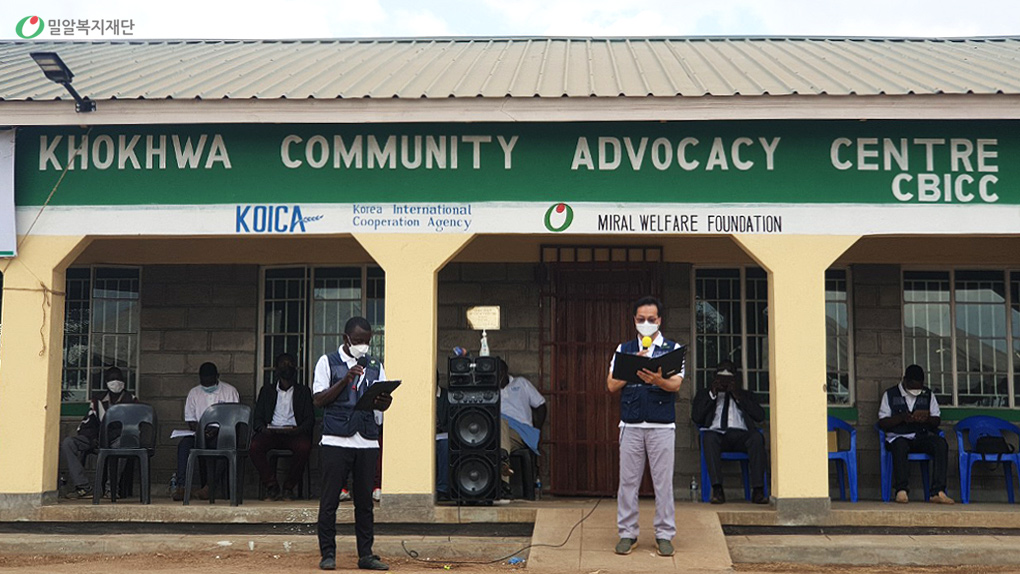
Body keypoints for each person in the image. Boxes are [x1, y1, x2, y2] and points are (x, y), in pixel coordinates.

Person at [606, 296, 685, 558]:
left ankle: (664, 535)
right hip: (630, 425)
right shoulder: (624, 349)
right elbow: (611, 385)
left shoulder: (672, 349)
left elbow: (676, 385)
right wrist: (632, 367)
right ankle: (627, 534)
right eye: (641, 319)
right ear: (634, 321)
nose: (646, 323)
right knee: (627, 482)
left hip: (662, 426)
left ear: (660, 320)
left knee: (663, 484)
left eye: (651, 319)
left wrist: (659, 380)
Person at [314, 316, 392, 571]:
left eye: (367, 341)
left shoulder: (374, 364)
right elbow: (319, 399)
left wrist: (384, 400)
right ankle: (328, 554)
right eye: (358, 341)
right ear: (345, 338)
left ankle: (366, 555)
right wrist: (345, 380)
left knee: (365, 504)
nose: (363, 346)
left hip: (367, 441)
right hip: (336, 440)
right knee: (329, 502)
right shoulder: (327, 362)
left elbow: (382, 404)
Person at [691, 361, 768, 505]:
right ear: (714, 377)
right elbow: (696, 417)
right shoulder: (704, 394)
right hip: (718, 435)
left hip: (741, 436)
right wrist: (713, 393)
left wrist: (738, 395)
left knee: (757, 438)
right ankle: (718, 490)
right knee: (708, 437)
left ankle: (758, 490)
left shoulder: (745, 395)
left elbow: (760, 416)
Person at [878, 364, 954, 504]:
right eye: (913, 387)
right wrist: (901, 418)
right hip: (898, 437)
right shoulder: (890, 395)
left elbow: (936, 420)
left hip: (920, 436)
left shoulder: (928, 394)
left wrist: (927, 419)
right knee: (900, 445)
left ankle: (937, 491)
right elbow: (882, 422)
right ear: (905, 381)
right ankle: (901, 490)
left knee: (940, 444)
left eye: (918, 387)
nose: (916, 390)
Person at [61, 367, 136, 499]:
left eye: (118, 379)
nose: (115, 382)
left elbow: (132, 426)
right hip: (96, 438)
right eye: (112, 379)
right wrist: (93, 437)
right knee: (68, 443)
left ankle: (111, 489)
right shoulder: (98, 401)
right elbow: (88, 423)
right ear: (106, 382)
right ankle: (84, 487)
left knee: (122, 444)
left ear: (123, 382)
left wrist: (111, 436)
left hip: (118, 440)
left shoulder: (131, 400)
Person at [250, 353, 315, 501]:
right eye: (283, 364)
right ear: (276, 369)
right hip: (271, 433)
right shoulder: (266, 391)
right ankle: (272, 486)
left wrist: (298, 430)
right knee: (254, 446)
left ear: (295, 369)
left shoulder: (303, 391)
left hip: (294, 433)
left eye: (290, 364)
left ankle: (288, 488)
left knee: (304, 447)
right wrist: (264, 429)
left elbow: (309, 420)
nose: (287, 367)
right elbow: (257, 418)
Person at [172, 362, 240, 501]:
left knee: (225, 446)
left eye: (210, 381)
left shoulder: (229, 391)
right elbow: (191, 420)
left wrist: (216, 430)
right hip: (199, 433)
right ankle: (182, 486)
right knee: (184, 445)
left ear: (217, 377)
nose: (207, 385)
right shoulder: (194, 392)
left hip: (222, 434)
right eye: (204, 381)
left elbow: (234, 418)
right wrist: (201, 430)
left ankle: (210, 487)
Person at [499, 359, 547, 494]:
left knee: (500, 425)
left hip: (520, 431)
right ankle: (501, 480)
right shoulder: (489, 389)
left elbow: (541, 405)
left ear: (504, 372)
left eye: (498, 373)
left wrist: (536, 430)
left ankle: (503, 485)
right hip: (501, 434)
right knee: (496, 435)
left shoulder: (521, 383)